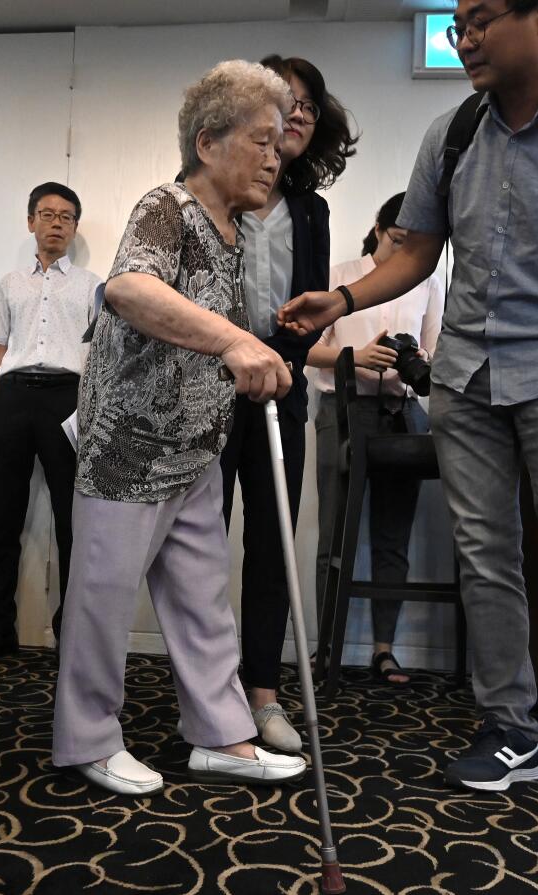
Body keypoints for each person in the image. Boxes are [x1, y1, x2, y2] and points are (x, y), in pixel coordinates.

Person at [279, 0, 538, 830]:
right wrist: (344, 299)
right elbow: (419, 250)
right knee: (484, 558)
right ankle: (512, 729)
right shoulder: (453, 131)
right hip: (465, 380)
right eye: (455, 23)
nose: (462, 36)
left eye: (480, 18)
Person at [52, 60, 307, 796]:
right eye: (259, 140)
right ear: (208, 140)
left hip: (195, 445)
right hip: (128, 446)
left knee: (202, 600)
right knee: (103, 596)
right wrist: (234, 342)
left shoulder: (232, 232)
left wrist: (253, 351)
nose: (274, 155)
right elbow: (131, 289)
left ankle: (221, 734)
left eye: (278, 142)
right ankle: (89, 739)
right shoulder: (167, 205)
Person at [216, 55, 357, 753]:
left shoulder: (312, 209)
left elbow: (312, 311)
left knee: (271, 543)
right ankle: (207, 689)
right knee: (202, 543)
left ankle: (262, 692)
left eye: (307, 102)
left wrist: (282, 360)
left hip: (282, 393)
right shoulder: (217, 193)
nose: (296, 112)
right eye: (283, 99)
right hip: (209, 392)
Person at [0, 183, 101, 665]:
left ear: (75, 227)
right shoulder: (10, 284)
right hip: (14, 397)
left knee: (72, 521)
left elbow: (100, 355)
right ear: (30, 222)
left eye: (66, 217)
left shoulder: (90, 285)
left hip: (68, 397)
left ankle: (73, 632)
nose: (56, 223)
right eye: (47, 214)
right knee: (4, 518)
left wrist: (92, 413)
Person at [307, 192, 443, 685]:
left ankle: (384, 649)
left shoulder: (428, 282)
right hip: (341, 411)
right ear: (380, 228)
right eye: (398, 241)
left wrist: (420, 362)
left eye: (416, 244)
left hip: (405, 413)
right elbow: (304, 348)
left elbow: (432, 349)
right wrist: (354, 357)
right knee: (334, 536)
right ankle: (327, 647)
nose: (405, 253)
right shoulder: (339, 273)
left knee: (393, 538)